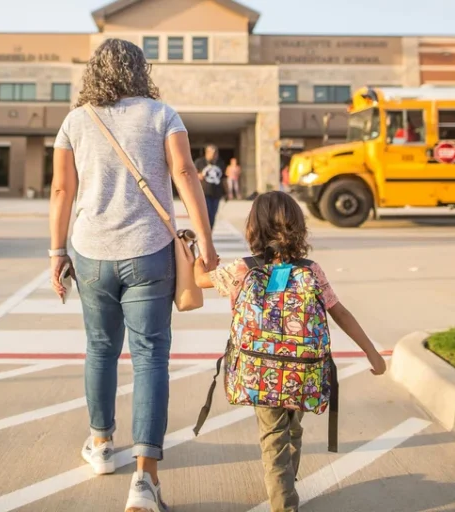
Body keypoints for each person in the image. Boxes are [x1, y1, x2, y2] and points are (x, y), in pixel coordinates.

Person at [49, 38, 218, 512]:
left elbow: (62, 189)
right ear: (141, 70)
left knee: (101, 349)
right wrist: (205, 241)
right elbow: (185, 173)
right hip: (150, 253)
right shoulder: (163, 114)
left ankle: (102, 444)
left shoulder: (75, 121)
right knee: (150, 358)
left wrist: (56, 252)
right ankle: (145, 480)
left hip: (91, 252)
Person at [193, 191, 386, 512]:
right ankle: (286, 483)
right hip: (303, 370)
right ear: (298, 226)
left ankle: (284, 503)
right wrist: (371, 352)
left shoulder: (242, 269)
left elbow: (200, 280)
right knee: (292, 428)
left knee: (273, 437)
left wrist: (198, 260)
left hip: (260, 372)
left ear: (253, 228)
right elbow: (339, 312)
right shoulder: (311, 270)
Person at [194, 144, 226, 229]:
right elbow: (192, 174)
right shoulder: (200, 162)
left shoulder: (220, 163)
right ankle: (204, 231)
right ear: (207, 153)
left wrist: (227, 192)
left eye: (216, 153)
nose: (215, 155)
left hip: (216, 193)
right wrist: (199, 175)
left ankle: (209, 231)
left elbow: (224, 178)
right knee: (206, 213)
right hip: (204, 193)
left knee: (213, 214)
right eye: (213, 153)